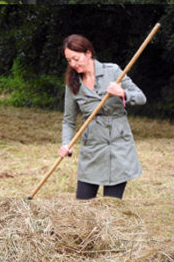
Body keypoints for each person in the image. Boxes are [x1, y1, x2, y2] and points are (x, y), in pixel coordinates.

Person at [60, 34, 147, 200]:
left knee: (112, 208)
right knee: (83, 206)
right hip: (92, 149)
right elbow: (69, 120)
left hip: (119, 149)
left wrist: (122, 93)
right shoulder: (73, 84)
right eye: (69, 60)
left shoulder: (113, 71)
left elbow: (141, 97)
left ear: (88, 53)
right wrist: (66, 143)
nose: (73, 64)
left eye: (76, 58)